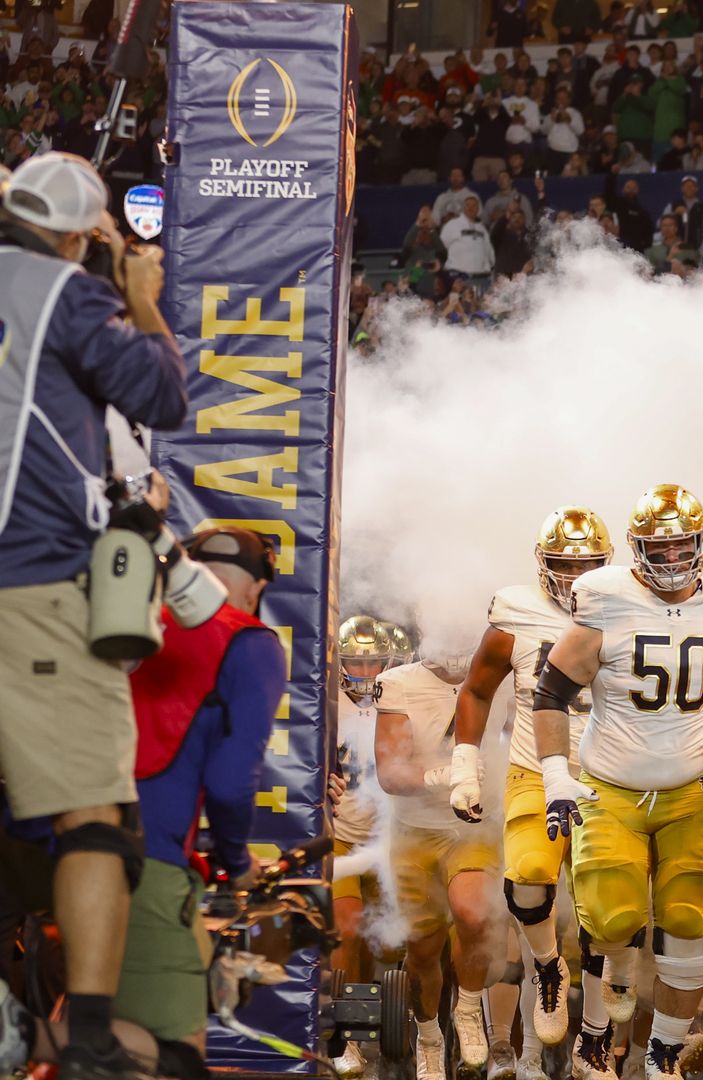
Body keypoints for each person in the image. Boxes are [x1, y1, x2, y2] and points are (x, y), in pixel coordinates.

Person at [0, 150, 188, 1080]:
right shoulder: (68, 295)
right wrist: (139, 292)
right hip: (28, 582)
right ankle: (89, 1044)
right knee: (97, 821)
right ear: (79, 233)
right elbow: (161, 395)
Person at [533, 484, 703, 1080]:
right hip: (611, 788)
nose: (671, 561)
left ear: (701, 544)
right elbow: (552, 691)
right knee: (613, 917)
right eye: (658, 549)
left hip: (693, 790)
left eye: (682, 547)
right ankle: (606, 1001)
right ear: (636, 549)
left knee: (693, 921)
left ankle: (664, 1052)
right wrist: (554, 774)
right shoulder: (605, 600)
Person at [446, 507, 616, 1073]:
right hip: (534, 768)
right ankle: (547, 965)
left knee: (604, 912)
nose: (574, 576)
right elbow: (475, 691)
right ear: (543, 565)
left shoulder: (630, 606)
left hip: (609, 774)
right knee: (527, 884)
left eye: (587, 564)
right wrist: (466, 767)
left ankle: (595, 1038)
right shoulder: (516, 613)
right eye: (564, 564)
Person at [116, 528, 285, 1067]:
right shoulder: (248, 640)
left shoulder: (123, 625)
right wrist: (236, 863)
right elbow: (232, 782)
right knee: (172, 1055)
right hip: (143, 864)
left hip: (38, 842)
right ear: (256, 589)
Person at [374, 652, 504, 1080]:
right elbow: (390, 774)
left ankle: (467, 1009)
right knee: (423, 948)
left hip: (473, 825)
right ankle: (429, 1034)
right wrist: (445, 776)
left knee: (473, 911)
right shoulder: (399, 683)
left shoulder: (500, 670)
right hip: (415, 832)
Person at [329, 616, 397, 1080]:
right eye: (357, 661)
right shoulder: (324, 704)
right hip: (341, 831)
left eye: (375, 662)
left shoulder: (407, 696)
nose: (366, 672)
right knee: (347, 928)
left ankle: (417, 1025)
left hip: (396, 834)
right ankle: (348, 1035)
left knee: (400, 941)